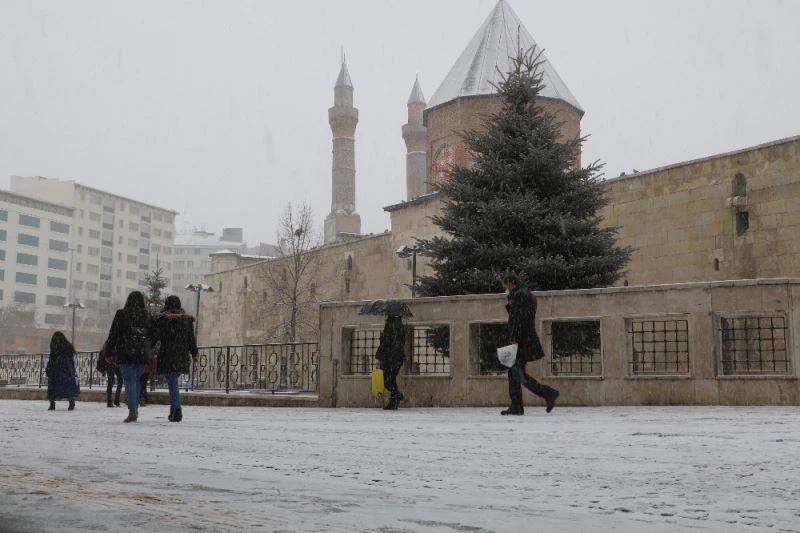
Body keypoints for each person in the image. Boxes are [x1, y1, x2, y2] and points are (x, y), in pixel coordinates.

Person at [500, 273, 559, 415]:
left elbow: (518, 319)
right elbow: (522, 316)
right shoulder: (527, 295)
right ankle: (517, 406)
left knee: (516, 373)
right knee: (514, 373)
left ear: (511, 283)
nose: (506, 289)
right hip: (526, 340)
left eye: (506, 286)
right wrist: (510, 305)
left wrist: (514, 339)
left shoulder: (519, 295)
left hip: (522, 341)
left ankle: (547, 393)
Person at [105, 290, 152, 423]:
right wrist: (147, 346)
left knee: (129, 381)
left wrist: (108, 352)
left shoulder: (122, 314)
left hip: (126, 353)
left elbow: (113, 334)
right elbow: (153, 332)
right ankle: (134, 407)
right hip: (142, 354)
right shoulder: (146, 315)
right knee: (136, 381)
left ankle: (133, 410)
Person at [150, 295, 198, 422]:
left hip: (168, 355)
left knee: (173, 384)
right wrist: (194, 353)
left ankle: (177, 411)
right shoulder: (186, 320)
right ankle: (173, 410)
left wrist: (147, 347)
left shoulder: (163, 319)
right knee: (173, 383)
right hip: (182, 355)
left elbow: (155, 337)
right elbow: (191, 339)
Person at [375, 314, 406, 410]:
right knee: (391, 380)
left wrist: (382, 339)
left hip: (391, 358)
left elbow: (386, 344)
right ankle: (394, 401)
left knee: (387, 380)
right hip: (396, 358)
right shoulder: (399, 328)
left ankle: (397, 395)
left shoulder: (390, 328)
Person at [45, 331, 80, 411]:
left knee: (53, 388)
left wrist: (49, 369)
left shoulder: (56, 349)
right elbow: (70, 362)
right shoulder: (67, 348)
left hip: (58, 371)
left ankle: (52, 404)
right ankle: (70, 403)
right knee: (66, 388)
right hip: (64, 371)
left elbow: (52, 360)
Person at [97, 341, 122, 407]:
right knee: (111, 382)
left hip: (116, 363)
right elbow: (103, 353)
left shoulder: (119, 341)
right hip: (110, 364)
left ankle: (116, 400)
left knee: (119, 381)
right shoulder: (109, 342)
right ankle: (110, 401)